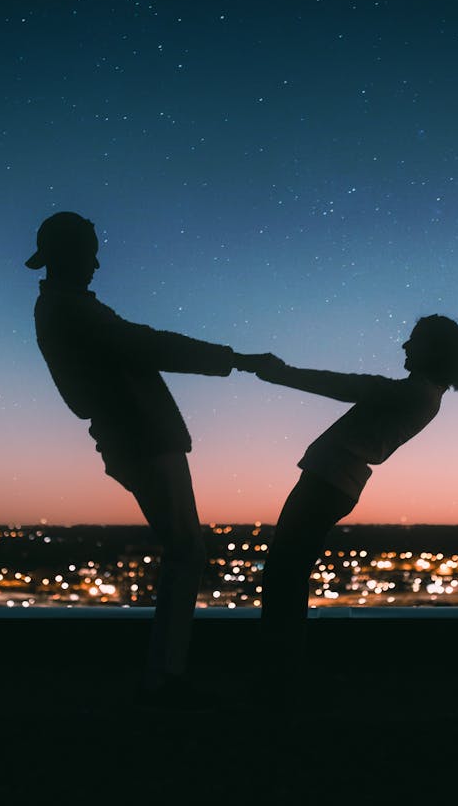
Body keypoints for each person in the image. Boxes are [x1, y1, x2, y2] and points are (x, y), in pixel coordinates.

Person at [25, 210, 274, 708]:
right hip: (142, 438)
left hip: (135, 438)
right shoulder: (72, 312)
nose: (98, 262)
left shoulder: (66, 309)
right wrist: (236, 360)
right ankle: (163, 680)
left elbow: (139, 346)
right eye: (91, 251)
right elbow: (149, 345)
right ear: (71, 254)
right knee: (187, 552)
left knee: (186, 550)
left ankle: (164, 675)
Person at [254, 315, 458, 681]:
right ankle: (279, 669)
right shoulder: (422, 394)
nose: (404, 346)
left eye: (413, 340)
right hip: (335, 482)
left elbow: (348, 386)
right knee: (287, 574)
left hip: (328, 482)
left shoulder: (416, 394)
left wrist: (282, 373)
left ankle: (278, 672)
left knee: (284, 575)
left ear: (432, 349)